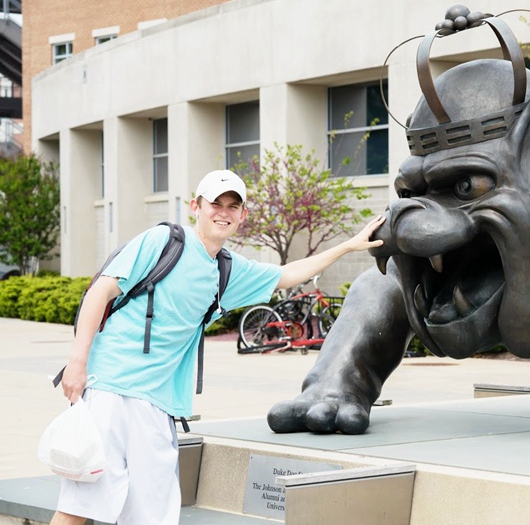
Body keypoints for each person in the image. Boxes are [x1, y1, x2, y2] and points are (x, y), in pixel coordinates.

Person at [50, 169, 385, 525]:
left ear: (242, 215)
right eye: (215, 203)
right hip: (110, 391)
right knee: (80, 507)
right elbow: (100, 291)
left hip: (157, 404)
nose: (223, 212)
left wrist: (349, 245)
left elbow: (287, 274)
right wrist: (77, 362)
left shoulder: (228, 269)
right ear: (196, 206)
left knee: (152, 516)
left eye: (233, 206)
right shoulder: (162, 241)